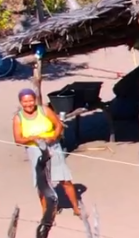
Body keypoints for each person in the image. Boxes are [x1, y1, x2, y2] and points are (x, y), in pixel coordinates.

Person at [12, 88, 85, 217]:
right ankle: (46, 213)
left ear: (35, 100)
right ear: (20, 102)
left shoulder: (44, 110)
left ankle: (76, 208)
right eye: (25, 101)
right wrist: (32, 138)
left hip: (53, 147)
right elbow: (18, 140)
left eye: (30, 100)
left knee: (65, 179)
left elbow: (58, 126)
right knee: (42, 183)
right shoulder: (18, 118)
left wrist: (53, 137)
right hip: (35, 151)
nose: (28, 104)